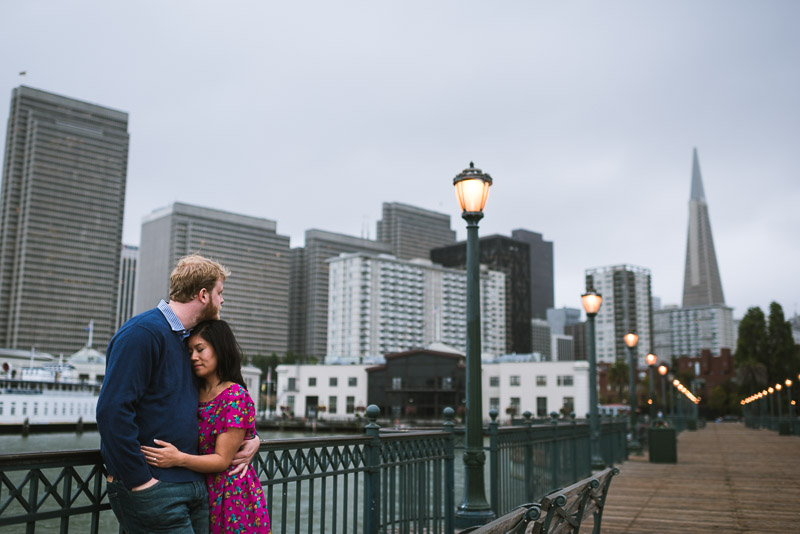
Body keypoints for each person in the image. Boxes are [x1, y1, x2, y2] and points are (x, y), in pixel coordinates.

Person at [97, 254, 260, 533]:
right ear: (204, 295)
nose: (223, 301)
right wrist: (141, 482)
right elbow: (112, 411)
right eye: (220, 293)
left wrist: (254, 438)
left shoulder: (190, 342)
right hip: (156, 487)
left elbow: (216, 403)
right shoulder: (142, 333)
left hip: (196, 486)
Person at [142, 320, 271, 533]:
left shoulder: (235, 397)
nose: (193, 357)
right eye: (190, 351)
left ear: (220, 349)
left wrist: (178, 458)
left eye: (200, 349)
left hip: (232, 496)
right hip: (200, 490)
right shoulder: (193, 389)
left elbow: (222, 460)